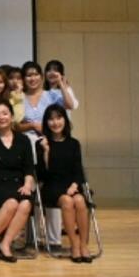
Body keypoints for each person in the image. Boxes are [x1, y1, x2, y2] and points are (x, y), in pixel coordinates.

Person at [0, 99, 35, 263]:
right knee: (11, 203)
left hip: (18, 183)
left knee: (26, 203)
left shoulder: (23, 140)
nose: (1, 117)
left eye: (5, 113)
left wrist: (27, 184)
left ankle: (5, 243)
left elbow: (29, 168)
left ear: (11, 116)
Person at [36, 104, 92, 263]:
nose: (55, 122)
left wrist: (75, 185)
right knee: (67, 201)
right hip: (51, 187)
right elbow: (42, 175)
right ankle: (74, 245)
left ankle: (83, 245)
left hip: (71, 185)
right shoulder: (41, 143)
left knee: (80, 200)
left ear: (65, 120)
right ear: (46, 122)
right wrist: (46, 152)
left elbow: (78, 170)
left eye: (59, 118)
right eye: (51, 119)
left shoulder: (74, 143)